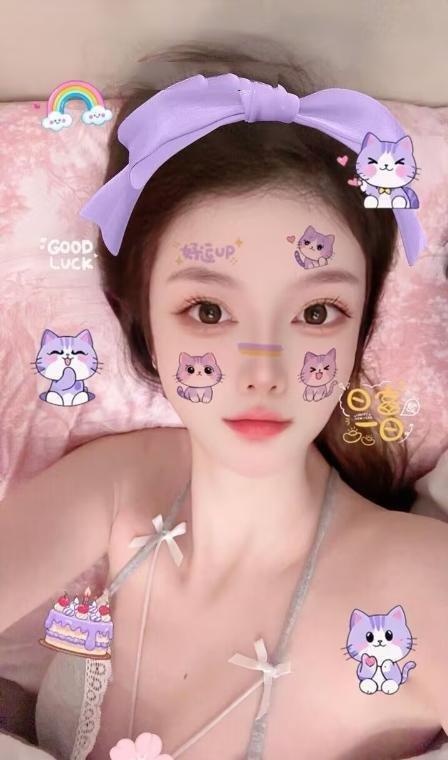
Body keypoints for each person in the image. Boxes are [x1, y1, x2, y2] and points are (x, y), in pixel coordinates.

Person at [1, 38, 448, 760]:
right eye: (208, 311)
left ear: (361, 328)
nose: (262, 373)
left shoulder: (421, 587)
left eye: (316, 313)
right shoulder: (124, 484)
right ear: (142, 323)